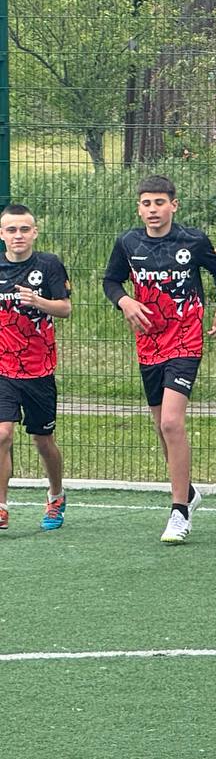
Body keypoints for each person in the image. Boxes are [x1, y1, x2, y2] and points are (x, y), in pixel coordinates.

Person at [103, 175, 216, 544]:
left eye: (159, 203)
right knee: (162, 427)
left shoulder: (193, 240)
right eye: (146, 203)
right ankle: (187, 491)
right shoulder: (128, 243)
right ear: (139, 208)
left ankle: (179, 511)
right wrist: (124, 301)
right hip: (148, 344)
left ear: (173, 205)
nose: (153, 210)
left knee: (172, 423)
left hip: (186, 341)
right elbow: (110, 281)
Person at [0, 204, 72, 531]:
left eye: (24, 229)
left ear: (35, 232)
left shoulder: (49, 265)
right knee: (2, 434)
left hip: (39, 370)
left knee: (43, 441)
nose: (18, 235)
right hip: (4, 370)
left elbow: (65, 309)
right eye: (12, 230)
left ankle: (56, 494)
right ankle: (1, 506)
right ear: (2, 234)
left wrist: (38, 301)